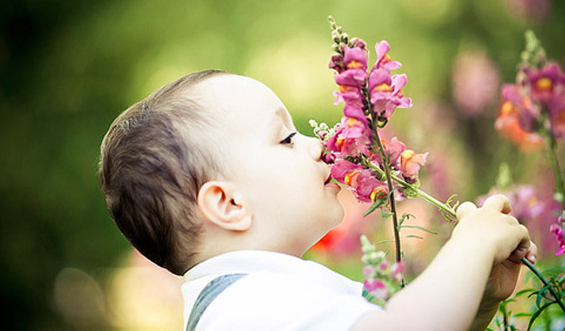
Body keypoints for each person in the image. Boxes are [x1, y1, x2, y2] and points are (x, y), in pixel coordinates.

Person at [98, 69, 537, 331]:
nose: (317, 145)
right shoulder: (254, 307)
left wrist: (475, 304)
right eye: (287, 138)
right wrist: (471, 245)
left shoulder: (252, 301)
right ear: (229, 205)